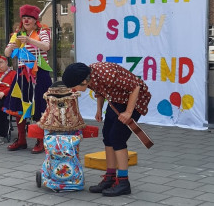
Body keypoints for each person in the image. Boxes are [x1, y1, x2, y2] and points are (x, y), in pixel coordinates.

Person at [62, 62, 151, 197]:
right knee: (107, 135)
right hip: (117, 98)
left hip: (135, 99)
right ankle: (110, 177)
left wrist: (128, 112)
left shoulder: (107, 75)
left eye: (74, 87)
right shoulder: (89, 76)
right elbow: (100, 91)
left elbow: (135, 87)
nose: (74, 90)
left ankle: (123, 182)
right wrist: (99, 109)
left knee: (117, 137)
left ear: (84, 81)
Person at [3, 4, 52, 154]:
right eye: (24, 18)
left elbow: (46, 47)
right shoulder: (18, 33)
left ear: (34, 20)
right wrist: (12, 46)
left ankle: (40, 140)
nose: (26, 20)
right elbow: (6, 53)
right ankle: (21, 139)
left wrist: (30, 41)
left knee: (39, 107)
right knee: (19, 106)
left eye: (29, 18)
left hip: (40, 74)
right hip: (22, 74)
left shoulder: (42, 31)